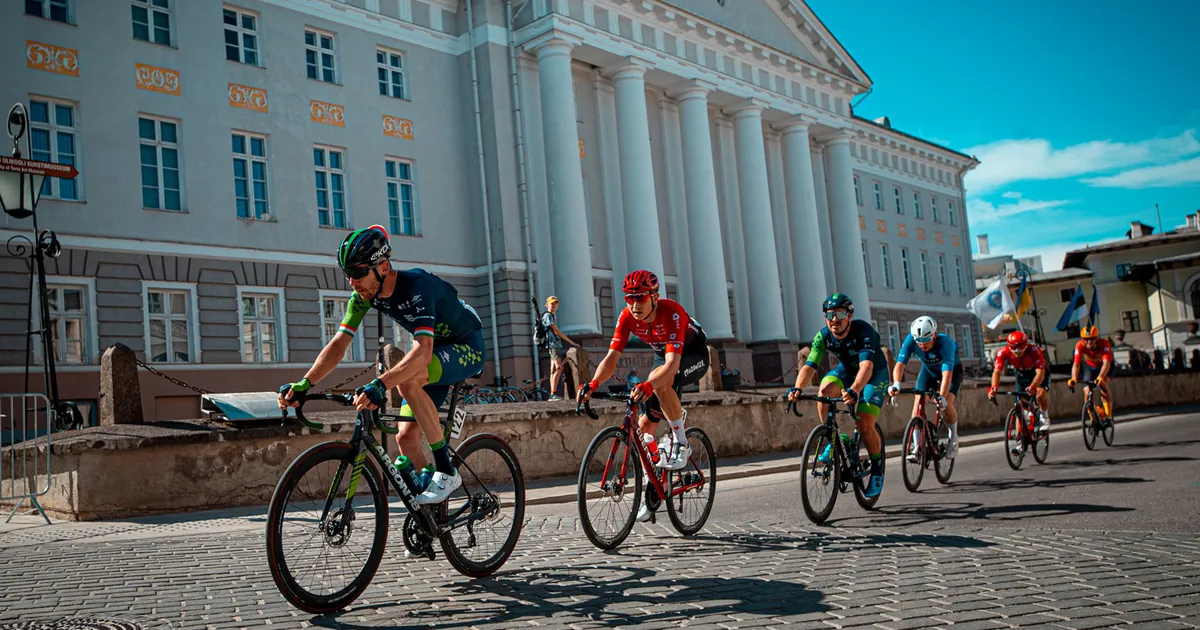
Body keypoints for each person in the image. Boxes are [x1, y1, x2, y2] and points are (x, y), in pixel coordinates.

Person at [277, 225, 486, 505]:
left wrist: (380, 384)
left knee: (408, 380)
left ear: (383, 267)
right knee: (406, 439)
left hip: (465, 346)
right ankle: (435, 513)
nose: (352, 282)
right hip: (433, 354)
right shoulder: (366, 295)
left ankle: (446, 472)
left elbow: (422, 353)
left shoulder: (418, 286)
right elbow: (339, 344)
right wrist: (305, 383)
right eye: (348, 274)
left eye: (358, 273)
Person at [577, 270, 709, 523]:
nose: (634, 305)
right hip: (665, 354)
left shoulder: (670, 312)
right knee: (644, 426)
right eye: (629, 298)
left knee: (660, 384)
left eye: (640, 298)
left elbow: (671, 367)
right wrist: (593, 384)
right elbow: (611, 358)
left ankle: (681, 440)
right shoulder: (627, 316)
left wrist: (649, 385)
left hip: (692, 354)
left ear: (654, 297)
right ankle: (653, 488)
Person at [787, 293, 887, 498]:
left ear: (850, 315)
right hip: (848, 370)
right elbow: (810, 365)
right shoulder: (823, 335)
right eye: (830, 314)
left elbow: (867, 366)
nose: (835, 319)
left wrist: (855, 390)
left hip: (874, 374)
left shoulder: (864, 331)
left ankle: (877, 469)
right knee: (824, 392)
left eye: (840, 314)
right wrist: (797, 388)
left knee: (864, 422)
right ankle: (833, 437)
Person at [888, 316, 963, 460]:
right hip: (929, 371)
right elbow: (900, 364)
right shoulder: (911, 339)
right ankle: (917, 448)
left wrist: (941, 396)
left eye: (926, 340)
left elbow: (947, 374)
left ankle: (953, 437)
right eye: (919, 341)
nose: (922, 344)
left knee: (947, 403)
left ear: (934, 335)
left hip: (951, 372)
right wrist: (896, 383)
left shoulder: (945, 343)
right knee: (917, 406)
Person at [988, 330, 1050, 453]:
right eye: (1013, 348)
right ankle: (1019, 442)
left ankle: (1044, 416)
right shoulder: (1003, 352)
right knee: (1019, 408)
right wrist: (994, 387)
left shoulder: (1034, 350)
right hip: (1021, 376)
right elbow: (997, 371)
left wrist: (1033, 386)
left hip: (1037, 374)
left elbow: (1040, 373)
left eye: (1020, 348)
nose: (1017, 351)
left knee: (1040, 393)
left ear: (1026, 344)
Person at [1069, 326, 1114, 420]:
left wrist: (1100, 377)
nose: (1089, 341)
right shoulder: (1080, 345)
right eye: (1086, 339)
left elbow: (1106, 364)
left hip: (1105, 366)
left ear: (1096, 338)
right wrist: (1073, 378)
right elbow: (1076, 364)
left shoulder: (1104, 344)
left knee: (1103, 385)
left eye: (1092, 339)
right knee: (1087, 391)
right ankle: (1092, 417)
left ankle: (1108, 415)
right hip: (1090, 366)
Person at [542, 296, 579, 400]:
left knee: (553, 370)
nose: (554, 305)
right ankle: (553, 393)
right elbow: (556, 331)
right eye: (552, 303)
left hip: (553, 345)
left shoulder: (550, 316)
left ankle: (552, 394)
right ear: (547, 305)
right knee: (559, 367)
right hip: (554, 345)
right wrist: (571, 342)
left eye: (555, 303)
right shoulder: (548, 316)